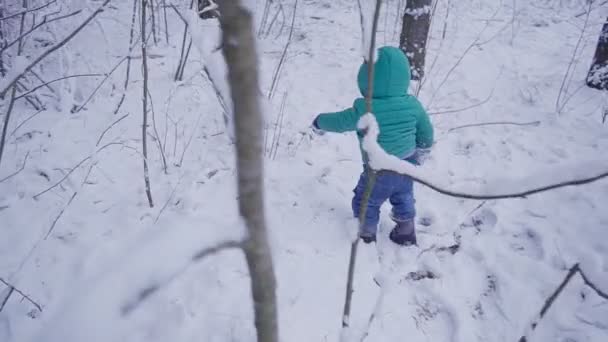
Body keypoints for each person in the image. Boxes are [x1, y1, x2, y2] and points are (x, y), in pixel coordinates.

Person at [311, 46, 434, 246]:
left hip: (379, 169)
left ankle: (366, 234)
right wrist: (422, 151)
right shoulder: (413, 105)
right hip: (407, 166)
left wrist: (319, 122)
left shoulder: (364, 109)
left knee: (366, 201)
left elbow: (340, 121)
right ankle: (406, 231)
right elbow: (426, 133)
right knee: (404, 196)